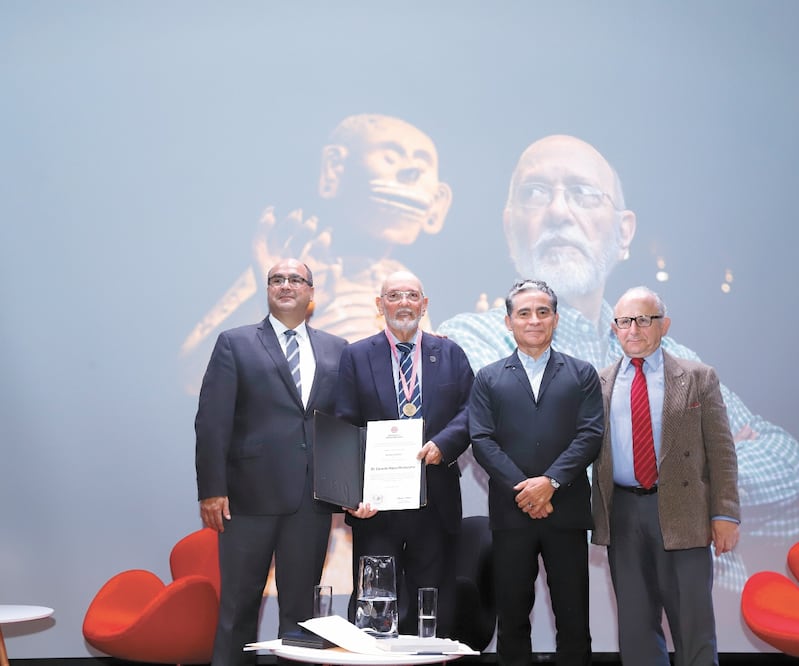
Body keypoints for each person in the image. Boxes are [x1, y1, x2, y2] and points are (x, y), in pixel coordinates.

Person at [438, 133, 799, 589]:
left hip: (704, 597)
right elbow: (524, 460)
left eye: (584, 194)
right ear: (510, 227)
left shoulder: (676, 358)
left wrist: (642, 480)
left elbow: (787, 460)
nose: (558, 211)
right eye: (535, 194)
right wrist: (690, 476)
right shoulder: (472, 341)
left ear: (623, 231)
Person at [181, 113, 453, 392]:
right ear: (335, 168)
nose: (411, 174)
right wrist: (274, 307)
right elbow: (194, 375)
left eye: (422, 165)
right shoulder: (293, 270)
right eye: (390, 158)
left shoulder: (403, 283)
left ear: (439, 201)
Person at [194, 258, 348, 665]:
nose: (285, 285)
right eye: (276, 279)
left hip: (312, 501)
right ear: (267, 289)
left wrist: (352, 488)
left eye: (295, 279)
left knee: (301, 616)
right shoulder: (235, 342)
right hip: (247, 499)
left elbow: (345, 423)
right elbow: (211, 422)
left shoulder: (337, 348)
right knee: (239, 607)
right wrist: (211, 490)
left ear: (311, 292)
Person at [591, 286, 740, 666]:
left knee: (693, 625)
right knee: (636, 628)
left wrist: (724, 515)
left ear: (664, 325)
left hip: (682, 511)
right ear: (614, 328)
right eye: (625, 322)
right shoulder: (600, 383)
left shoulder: (697, 377)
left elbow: (722, 452)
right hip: (622, 513)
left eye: (644, 319)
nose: (634, 330)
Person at [468, 279, 603, 666]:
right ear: (508, 321)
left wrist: (550, 483)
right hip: (513, 516)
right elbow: (482, 441)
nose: (534, 320)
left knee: (574, 619)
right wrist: (526, 491)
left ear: (555, 319)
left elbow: (590, 434)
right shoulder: (488, 377)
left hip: (566, 511)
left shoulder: (582, 374)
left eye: (543, 312)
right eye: (524, 313)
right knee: (511, 620)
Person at [334, 270, 473, 638]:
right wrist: (351, 494)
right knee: (375, 607)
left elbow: (472, 410)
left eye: (412, 296)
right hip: (376, 505)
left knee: (433, 605)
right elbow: (344, 424)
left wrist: (444, 443)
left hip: (436, 498)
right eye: (394, 296)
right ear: (380, 306)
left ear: (424, 305)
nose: (404, 303)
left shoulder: (451, 353)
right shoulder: (356, 355)